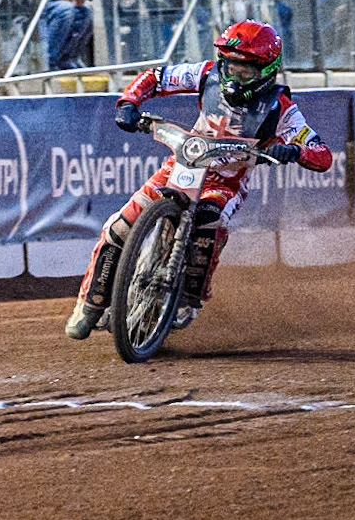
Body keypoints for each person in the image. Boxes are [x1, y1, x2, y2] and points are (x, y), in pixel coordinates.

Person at [66, 20, 333, 340]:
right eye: (230, 66)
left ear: (267, 70)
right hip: (182, 164)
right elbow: (156, 77)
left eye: (245, 71)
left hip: (226, 181)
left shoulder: (282, 108)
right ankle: (90, 304)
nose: (234, 76)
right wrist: (128, 102)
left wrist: (295, 151)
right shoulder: (206, 73)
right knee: (119, 226)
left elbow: (322, 153)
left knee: (209, 220)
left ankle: (189, 298)